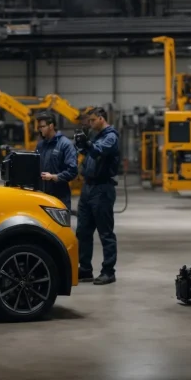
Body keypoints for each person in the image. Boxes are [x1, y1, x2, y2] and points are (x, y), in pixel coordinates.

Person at [74, 107, 120, 285]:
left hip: (102, 188)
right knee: (83, 231)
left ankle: (109, 271)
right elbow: (91, 153)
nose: (90, 124)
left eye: (93, 120)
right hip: (88, 188)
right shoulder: (98, 136)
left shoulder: (111, 136)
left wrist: (88, 144)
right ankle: (85, 269)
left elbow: (99, 151)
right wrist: (81, 146)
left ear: (101, 118)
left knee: (105, 233)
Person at [34, 111, 78, 210]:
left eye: (42, 126)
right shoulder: (40, 145)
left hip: (60, 196)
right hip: (42, 196)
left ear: (51, 126)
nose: (40, 130)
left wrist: (54, 177)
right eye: (39, 127)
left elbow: (73, 171)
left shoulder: (65, 144)